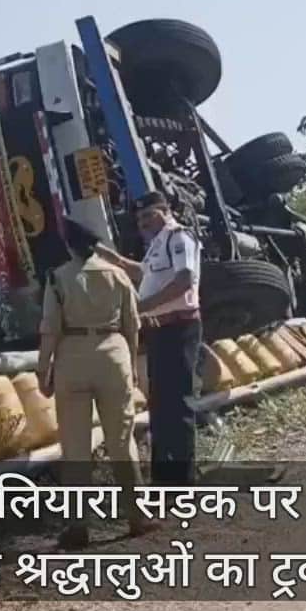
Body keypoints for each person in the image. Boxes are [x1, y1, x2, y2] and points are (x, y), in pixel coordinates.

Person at [36, 217, 160, 548]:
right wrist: (131, 366)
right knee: (122, 438)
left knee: (75, 446)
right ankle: (138, 515)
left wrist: (42, 370)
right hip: (113, 354)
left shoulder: (58, 278)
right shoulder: (117, 275)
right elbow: (132, 326)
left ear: (69, 246)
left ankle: (78, 527)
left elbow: (50, 329)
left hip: (72, 358)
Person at [96, 191, 202, 486]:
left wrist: (139, 307)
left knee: (178, 404)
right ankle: (163, 478)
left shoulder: (179, 238)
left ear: (164, 211)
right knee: (160, 404)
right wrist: (111, 258)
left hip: (179, 328)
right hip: (159, 329)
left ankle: (181, 482)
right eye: (139, 218)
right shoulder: (157, 245)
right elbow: (144, 273)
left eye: (147, 215)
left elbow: (183, 282)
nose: (142, 223)